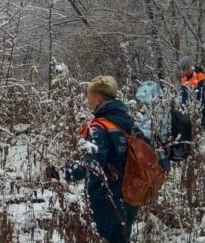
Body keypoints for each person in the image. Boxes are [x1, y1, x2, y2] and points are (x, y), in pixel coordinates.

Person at [43, 75, 139, 243]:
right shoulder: (128, 122)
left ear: (98, 99)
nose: (88, 102)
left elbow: (91, 165)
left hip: (107, 200)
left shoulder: (99, 128)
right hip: (130, 195)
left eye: (89, 97)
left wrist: (59, 173)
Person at [178, 56, 205, 126]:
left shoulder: (202, 78)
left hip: (202, 113)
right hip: (188, 113)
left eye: (187, 68)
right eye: (184, 69)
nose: (186, 71)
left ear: (192, 67)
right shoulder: (183, 80)